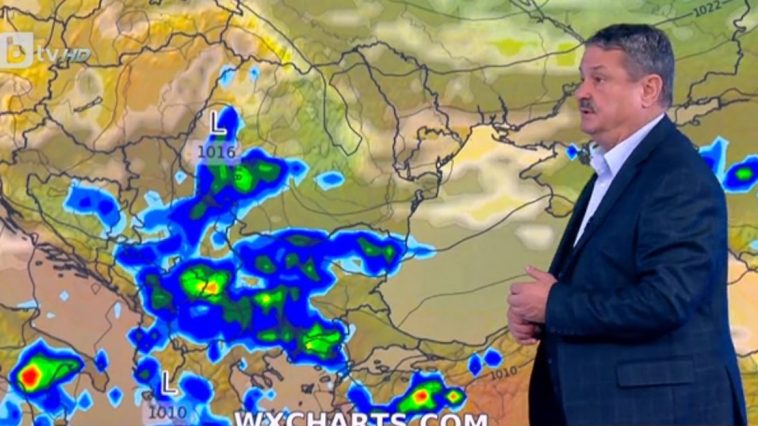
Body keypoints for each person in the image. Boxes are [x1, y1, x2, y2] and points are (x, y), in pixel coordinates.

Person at [506, 23, 747, 425]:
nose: (582, 92)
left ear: (648, 90)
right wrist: (543, 315)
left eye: (599, 79)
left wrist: (556, 305)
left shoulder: (677, 177)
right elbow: (609, 282)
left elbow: (665, 300)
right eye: (583, 78)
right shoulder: (612, 172)